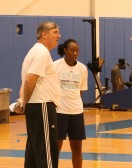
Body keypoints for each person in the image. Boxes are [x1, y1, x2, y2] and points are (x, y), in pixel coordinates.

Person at [20, 21, 61, 168]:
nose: (59, 35)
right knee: (47, 153)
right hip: (42, 106)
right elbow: (30, 79)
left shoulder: (35, 51)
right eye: (55, 32)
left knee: (34, 152)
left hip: (36, 107)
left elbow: (27, 80)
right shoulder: (42, 52)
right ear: (44, 34)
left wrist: (23, 102)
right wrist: (24, 102)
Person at [54, 39, 88, 168]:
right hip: (59, 111)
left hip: (76, 112)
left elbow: (80, 91)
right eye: (72, 50)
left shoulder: (82, 68)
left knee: (77, 147)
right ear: (65, 50)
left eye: (77, 51)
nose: (75, 53)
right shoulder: (55, 66)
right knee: (56, 147)